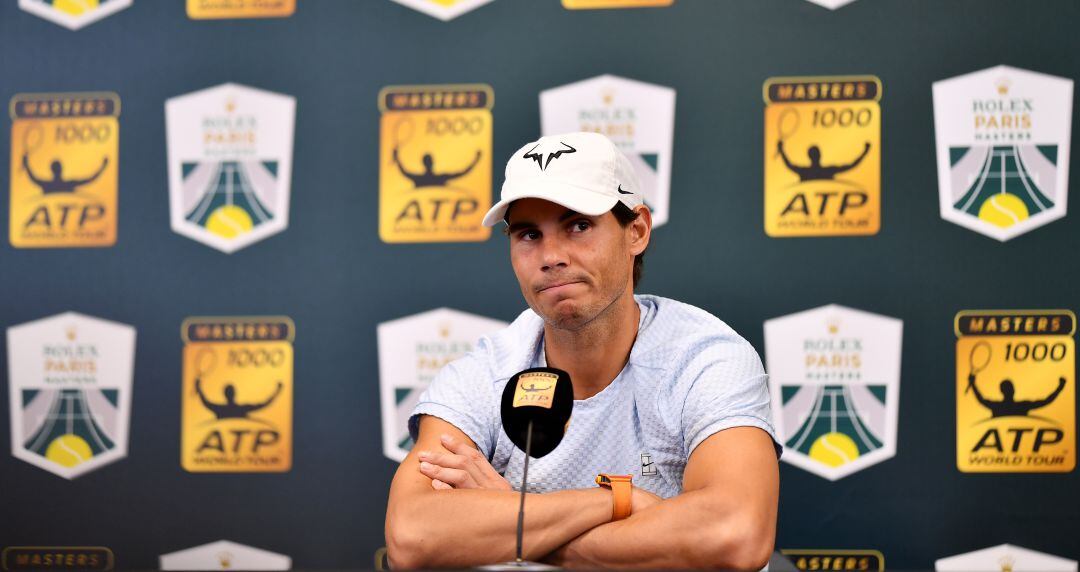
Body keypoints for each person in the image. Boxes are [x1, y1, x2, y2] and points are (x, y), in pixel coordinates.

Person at [385, 132, 780, 569]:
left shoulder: (705, 359)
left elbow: (733, 535)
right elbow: (413, 535)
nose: (551, 256)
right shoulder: (484, 374)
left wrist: (517, 520)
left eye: (578, 226)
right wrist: (618, 503)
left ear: (637, 231)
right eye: (529, 234)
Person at [777, 140, 870, 182]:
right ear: (820, 155)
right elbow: (851, 165)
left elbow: (789, 164)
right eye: (815, 154)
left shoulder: (804, 171)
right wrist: (865, 152)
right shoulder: (828, 171)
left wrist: (781, 150)